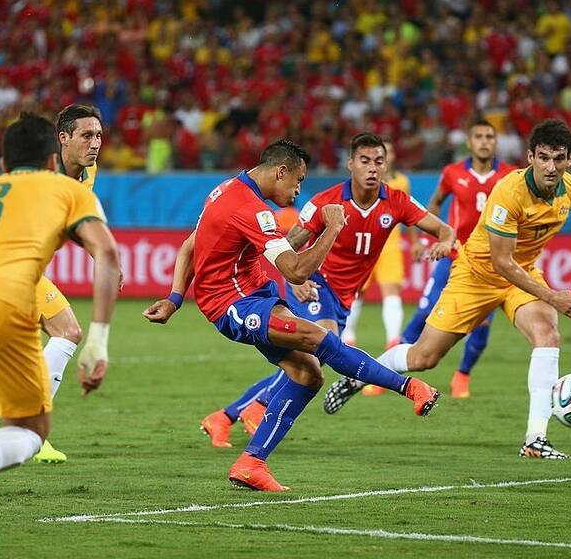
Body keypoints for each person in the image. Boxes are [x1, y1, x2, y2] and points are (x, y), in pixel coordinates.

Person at [143, 138, 445, 491]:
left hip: (253, 294)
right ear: (280, 171)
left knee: (308, 373)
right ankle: (410, 387)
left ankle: (251, 462)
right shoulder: (253, 211)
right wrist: (334, 227)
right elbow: (297, 271)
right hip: (233, 304)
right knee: (318, 339)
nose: (298, 190)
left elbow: (189, 246)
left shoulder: (224, 190)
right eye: (297, 181)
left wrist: (175, 299)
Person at [324, 119, 571, 460]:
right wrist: (551, 294)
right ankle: (358, 377)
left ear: (570, 160)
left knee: (548, 335)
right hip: (476, 273)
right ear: (530, 156)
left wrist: (541, 290)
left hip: (521, 275)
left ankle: (536, 438)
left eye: (559, 159)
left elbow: (524, 251)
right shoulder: (508, 191)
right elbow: (501, 261)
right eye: (544, 157)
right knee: (423, 357)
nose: (551, 167)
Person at [0, 113, 120, 558]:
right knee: (29, 432)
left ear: (2, 161)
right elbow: (107, 252)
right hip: (0, 298)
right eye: (87, 135)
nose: (95, 143)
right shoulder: (66, 188)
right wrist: (99, 340)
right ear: (53, 155)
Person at [198, 133, 456, 446]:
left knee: (310, 362)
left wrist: (445, 240)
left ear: (387, 165)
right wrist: (299, 280)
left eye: (379, 161)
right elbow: (290, 246)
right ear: (350, 164)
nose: (372, 168)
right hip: (314, 285)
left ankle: (228, 415)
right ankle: (257, 412)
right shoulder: (326, 202)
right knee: (322, 347)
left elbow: (443, 228)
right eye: (365, 161)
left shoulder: (397, 201)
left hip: (345, 297)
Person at [0, 104, 104, 464]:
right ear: (63, 139)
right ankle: (31, 433)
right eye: (87, 135)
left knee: (10, 357)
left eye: (99, 135)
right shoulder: (38, 172)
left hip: (21, 269)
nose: (96, 143)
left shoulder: (87, 173)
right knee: (64, 333)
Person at [397, 118, 515, 399]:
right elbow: (436, 201)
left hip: (488, 263)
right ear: (469, 142)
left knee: (481, 323)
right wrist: (435, 236)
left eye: (490, 136)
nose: (485, 141)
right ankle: (386, 373)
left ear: (495, 143)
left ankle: (462, 376)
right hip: (454, 255)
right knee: (426, 311)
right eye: (479, 136)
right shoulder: (452, 172)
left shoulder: (511, 176)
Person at [340, 140, 418, 355]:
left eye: (389, 151)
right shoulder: (361, 180)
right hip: (362, 244)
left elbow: (409, 214)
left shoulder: (401, 182)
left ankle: (393, 340)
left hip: (390, 245)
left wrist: (415, 242)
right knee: (356, 292)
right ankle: (347, 337)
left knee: (391, 289)